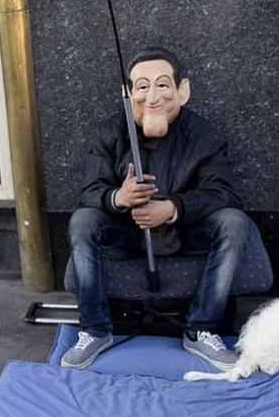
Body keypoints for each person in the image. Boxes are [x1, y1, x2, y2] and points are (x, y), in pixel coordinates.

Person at [60, 47, 257, 371]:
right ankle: (95, 330)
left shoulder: (203, 135)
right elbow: (90, 191)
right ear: (127, 94)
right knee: (83, 221)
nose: (152, 97)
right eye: (142, 87)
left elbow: (222, 191)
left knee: (233, 222)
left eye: (163, 85)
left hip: (184, 232)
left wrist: (172, 208)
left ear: (183, 91)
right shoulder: (110, 132)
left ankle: (202, 327)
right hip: (125, 234)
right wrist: (117, 198)